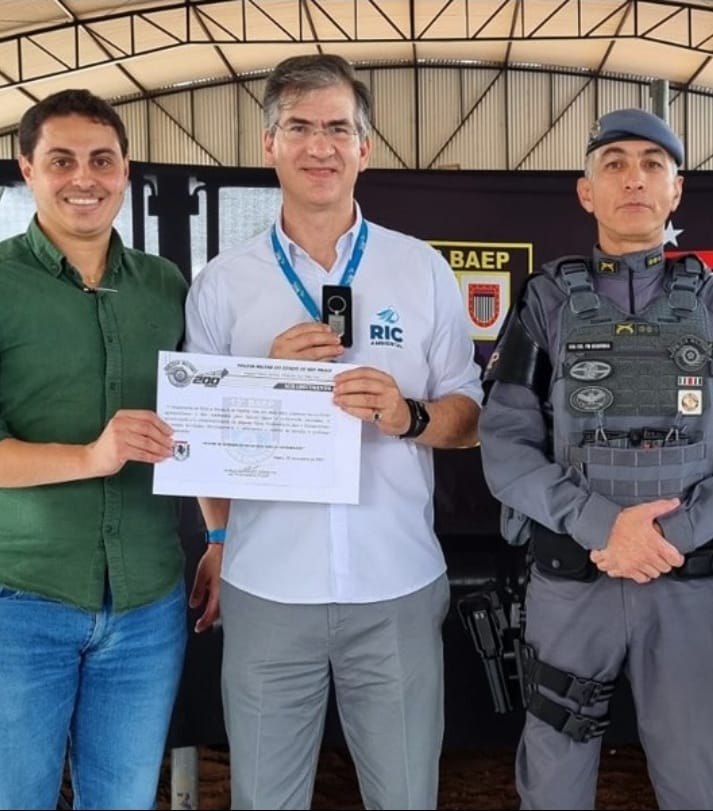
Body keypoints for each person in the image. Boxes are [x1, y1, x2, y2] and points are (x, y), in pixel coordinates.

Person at [185, 53, 482, 810]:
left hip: (396, 584)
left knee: (406, 795)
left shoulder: (420, 271)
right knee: (264, 797)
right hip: (266, 588)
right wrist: (263, 376)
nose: (320, 145)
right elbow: (198, 437)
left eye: (337, 129)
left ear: (364, 147)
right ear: (268, 144)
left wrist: (405, 414)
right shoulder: (223, 282)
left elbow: (469, 419)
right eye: (300, 127)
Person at [479, 107, 713, 810]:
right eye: (613, 164)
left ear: (675, 191)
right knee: (553, 777)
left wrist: (670, 534)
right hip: (574, 581)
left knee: (696, 775)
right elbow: (504, 443)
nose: (632, 178)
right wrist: (600, 524)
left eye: (651, 165)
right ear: (587, 192)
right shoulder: (545, 301)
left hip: (687, 584)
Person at [0, 89, 189, 809]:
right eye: (62, 160)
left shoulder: (164, 285)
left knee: (124, 801)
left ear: (126, 170)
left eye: (101, 159)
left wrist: (221, 534)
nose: (85, 177)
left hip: (146, 603)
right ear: (28, 169)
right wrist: (91, 454)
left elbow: (194, 421)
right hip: (22, 599)